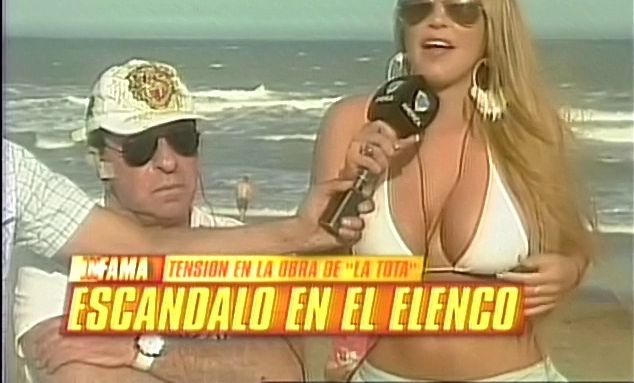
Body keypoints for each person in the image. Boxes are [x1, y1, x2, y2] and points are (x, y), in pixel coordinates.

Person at [312, 0, 595, 382]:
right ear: (403, 24)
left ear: (491, 27)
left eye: (460, 7)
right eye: (419, 7)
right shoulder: (352, 123)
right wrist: (351, 184)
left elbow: (574, 243)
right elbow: (313, 271)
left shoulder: (527, 129)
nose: (437, 20)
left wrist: (569, 271)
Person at [9, 58, 370, 383]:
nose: (168, 162)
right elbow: (80, 374)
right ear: (99, 160)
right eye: (141, 148)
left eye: (183, 141)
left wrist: (142, 350)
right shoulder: (57, 266)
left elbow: (289, 368)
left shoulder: (238, 241)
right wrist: (223, 364)